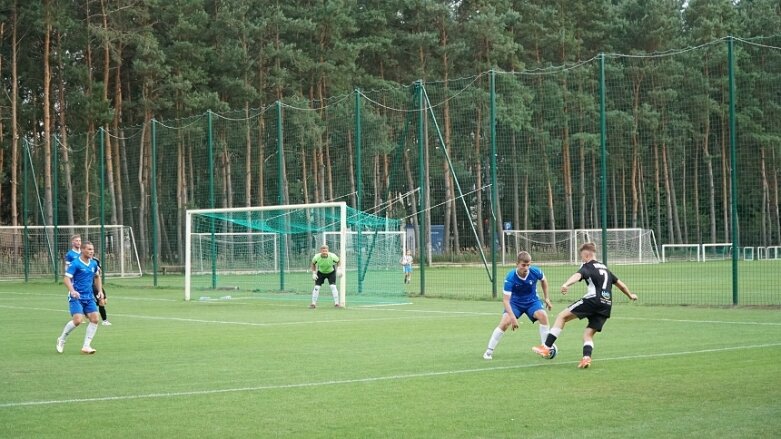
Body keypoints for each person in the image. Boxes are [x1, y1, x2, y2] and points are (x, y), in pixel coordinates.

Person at [533, 242, 638, 368]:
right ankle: (586, 358)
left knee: (562, 317)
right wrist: (630, 295)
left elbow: (578, 275)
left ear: (587, 255)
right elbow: (620, 284)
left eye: (582, 256)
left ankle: (546, 347)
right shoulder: (605, 268)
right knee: (588, 334)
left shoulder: (588, 266)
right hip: (606, 304)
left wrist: (566, 284)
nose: (581, 259)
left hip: (592, 300)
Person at [483, 251, 552, 360]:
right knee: (505, 323)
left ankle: (545, 348)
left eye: (528, 265)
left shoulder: (535, 271)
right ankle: (488, 351)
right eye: (523, 265)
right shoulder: (510, 277)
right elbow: (506, 301)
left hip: (532, 301)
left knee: (543, 316)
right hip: (515, 303)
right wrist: (512, 317)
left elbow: (544, 280)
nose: (526, 268)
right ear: (517, 264)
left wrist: (546, 297)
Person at [56, 241, 104, 354]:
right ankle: (62, 339)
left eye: (92, 249)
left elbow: (97, 277)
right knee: (77, 320)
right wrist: (72, 291)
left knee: (95, 319)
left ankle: (86, 346)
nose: (91, 251)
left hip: (89, 297)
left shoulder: (93, 264)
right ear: (82, 250)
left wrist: (100, 291)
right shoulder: (75, 263)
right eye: (89, 249)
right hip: (76, 296)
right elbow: (66, 279)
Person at [310, 244, 342, 309]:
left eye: (326, 251)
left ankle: (336, 304)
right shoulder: (316, 257)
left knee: (333, 286)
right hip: (321, 272)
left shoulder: (332, 256)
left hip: (331, 272)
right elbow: (313, 264)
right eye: (323, 251)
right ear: (320, 251)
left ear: (328, 251)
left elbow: (338, 261)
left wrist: (338, 269)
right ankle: (313, 304)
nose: (324, 252)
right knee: (316, 287)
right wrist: (314, 273)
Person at [92, 257, 112, 326]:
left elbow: (99, 272)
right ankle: (104, 320)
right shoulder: (80, 260)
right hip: (88, 286)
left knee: (103, 301)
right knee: (99, 302)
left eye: (91, 250)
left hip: (96, 285)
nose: (91, 252)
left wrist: (98, 271)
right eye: (89, 250)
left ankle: (104, 320)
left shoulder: (95, 260)